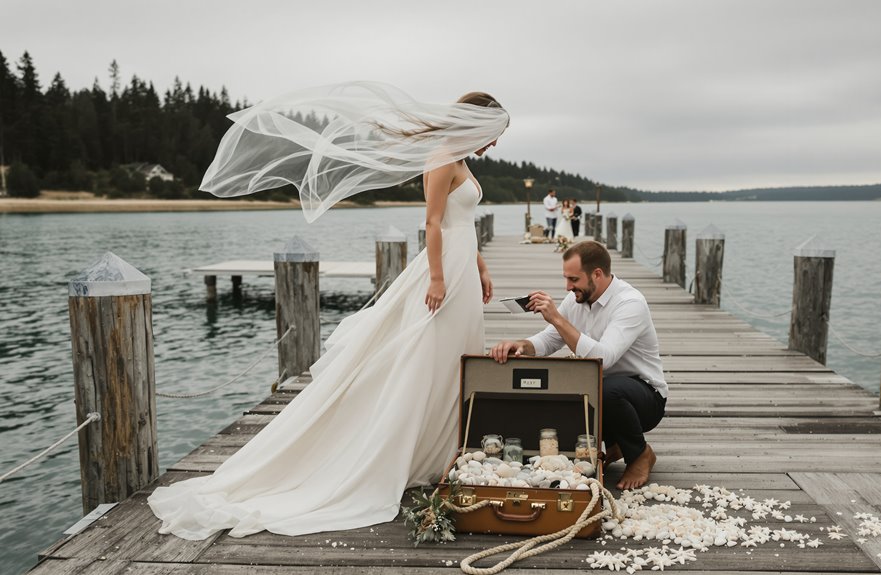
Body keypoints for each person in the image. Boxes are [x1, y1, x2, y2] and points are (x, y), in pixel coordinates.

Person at [148, 83, 509, 540]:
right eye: (493, 133)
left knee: (455, 357)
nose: (494, 143)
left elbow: (464, 224)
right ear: (475, 124)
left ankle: (437, 451)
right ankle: (396, 451)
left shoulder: (461, 162)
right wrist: (437, 278)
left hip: (464, 266)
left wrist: (481, 266)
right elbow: (433, 222)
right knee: (426, 357)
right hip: (443, 274)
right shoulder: (440, 159)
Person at [489, 241, 666, 490]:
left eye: (573, 279)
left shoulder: (630, 303)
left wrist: (557, 318)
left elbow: (604, 359)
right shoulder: (578, 300)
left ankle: (640, 454)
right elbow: (549, 340)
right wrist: (519, 345)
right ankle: (615, 445)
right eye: (566, 279)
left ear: (597, 274)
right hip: (601, 388)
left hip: (645, 398)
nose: (568, 287)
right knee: (571, 393)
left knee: (605, 388)